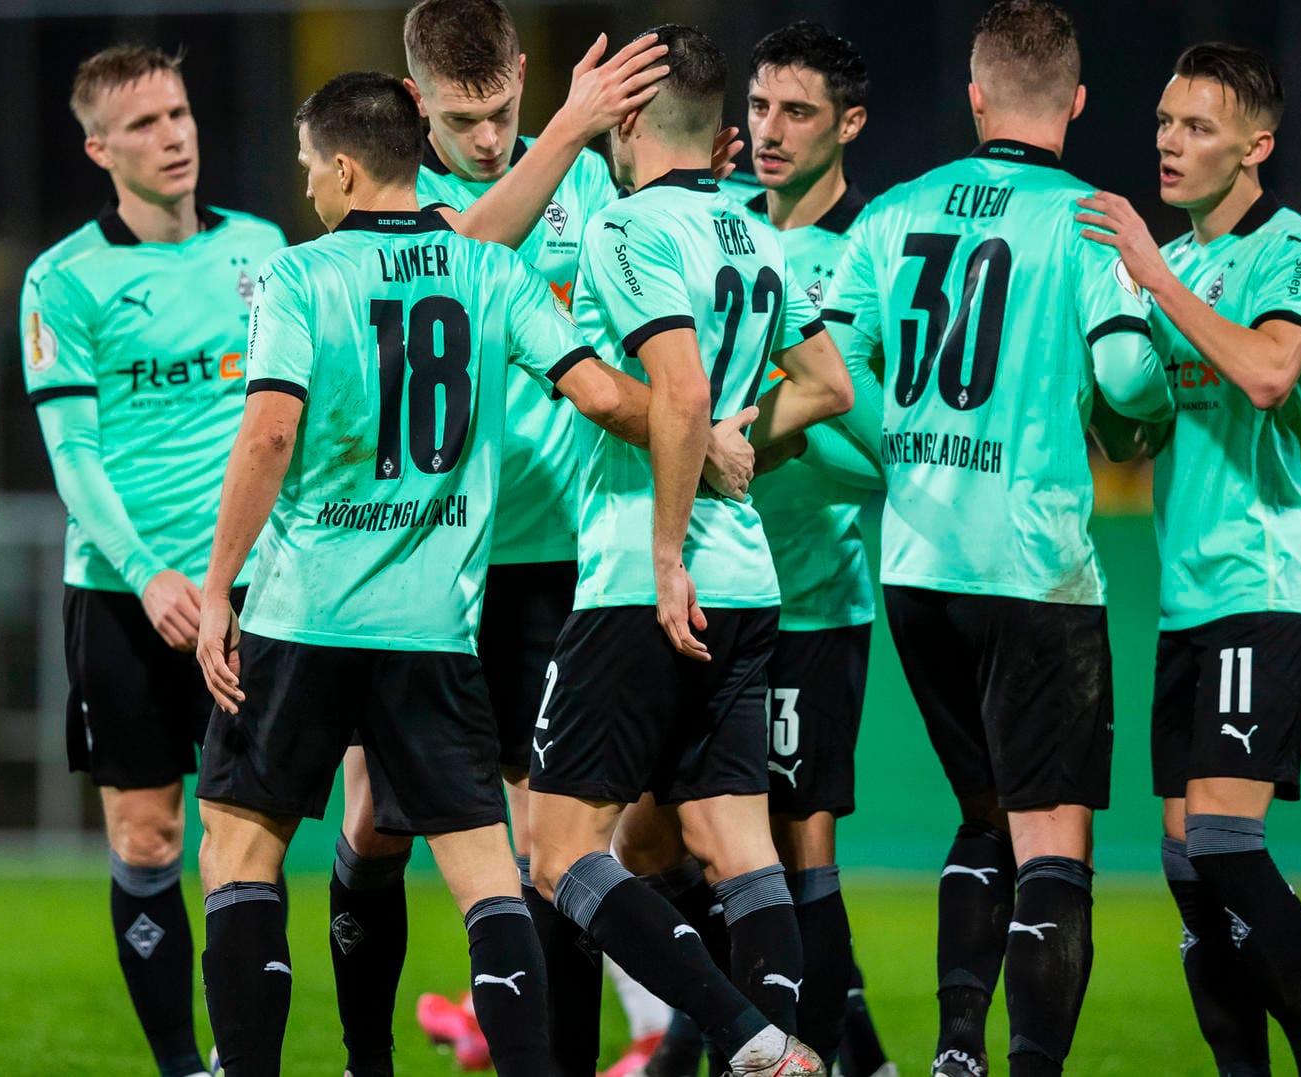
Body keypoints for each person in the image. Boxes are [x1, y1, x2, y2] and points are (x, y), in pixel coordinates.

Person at [191, 70, 737, 1077]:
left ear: (345, 168)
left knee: (238, 853)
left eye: (312, 166)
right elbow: (605, 398)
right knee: (493, 878)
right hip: (436, 632)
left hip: (302, 615)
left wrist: (219, 583)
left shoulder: (299, 278)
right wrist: (702, 447)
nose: (308, 183)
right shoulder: (491, 275)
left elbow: (269, 432)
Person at [823, 2, 1174, 1074]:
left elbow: (830, 382)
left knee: (981, 817)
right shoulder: (1089, 223)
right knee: (1053, 838)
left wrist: (908, 462)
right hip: (1033, 572)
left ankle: (958, 1050)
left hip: (917, 570)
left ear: (976, 97)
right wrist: (1141, 423)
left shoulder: (892, 214)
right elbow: (1122, 380)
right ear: (1073, 101)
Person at [525, 23, 854, 1077]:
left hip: (642, 580)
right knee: (737, 849)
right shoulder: (761, 235)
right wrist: (743, 445)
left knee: (559, 851)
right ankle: (773, 1050)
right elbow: (828, 387)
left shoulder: (627, 228)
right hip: (753, 581)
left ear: (626, 123)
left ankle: (745, 1035)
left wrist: (668, 548)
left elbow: (679, 390)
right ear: (721, 138)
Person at [628, 22, 895, 1077]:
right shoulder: (719, 226)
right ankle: (848, 1054)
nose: (770, 132)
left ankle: (724, 1057)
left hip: (811, 599)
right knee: (654, 841)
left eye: (799, 112)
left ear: (850, 126)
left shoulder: (867, 253)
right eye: (759, 109)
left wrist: (741, 444)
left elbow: (876, 447)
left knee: (789, 848)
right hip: (705, 579)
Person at [1076, 41, 1301, 1077]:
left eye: (1197, 127)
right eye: (1161, 123)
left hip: (1269, 578)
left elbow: (1270, 372)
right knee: (1187, 867)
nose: (1169, 143)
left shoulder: (1291, 249)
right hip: (1190, 600)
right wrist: (1104, 358)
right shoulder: (1171, 266)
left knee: (1227, 848)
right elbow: (1137, 437)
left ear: (1255, 147)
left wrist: (1149, 276)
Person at [18, 44, 286, 1077]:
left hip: (257, 592)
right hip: (125, 598)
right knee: (144, 839)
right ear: (99, 148)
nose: (172, 136)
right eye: (142, 125)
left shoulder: (263, 251)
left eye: (177, 114)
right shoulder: (64, 281)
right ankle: (183, 1066)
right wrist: (148, 573)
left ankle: (251, 1057)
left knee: (247, 840)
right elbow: (73, 456)